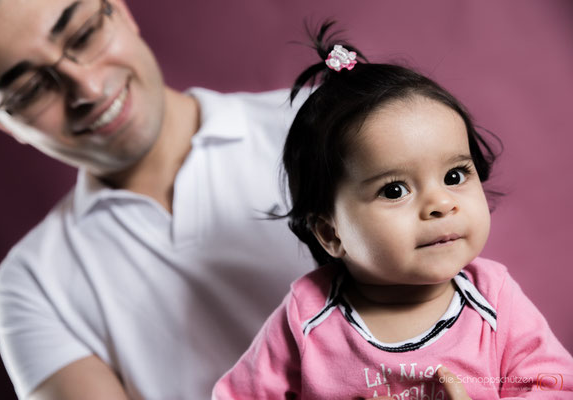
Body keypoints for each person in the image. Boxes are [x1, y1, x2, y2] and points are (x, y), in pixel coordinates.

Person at [0, 0, 316, 398]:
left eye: (84, 35)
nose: (88, 87)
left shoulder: (330, 125)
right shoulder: (33, 285)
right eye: (30, 90)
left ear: (118, 8)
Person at [213, 23, 573, 399]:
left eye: (454, 175)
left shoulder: (492, 299)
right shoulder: (308, 316)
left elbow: (555, 386)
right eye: (394, 189)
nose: (440, 204)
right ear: (331, 233)